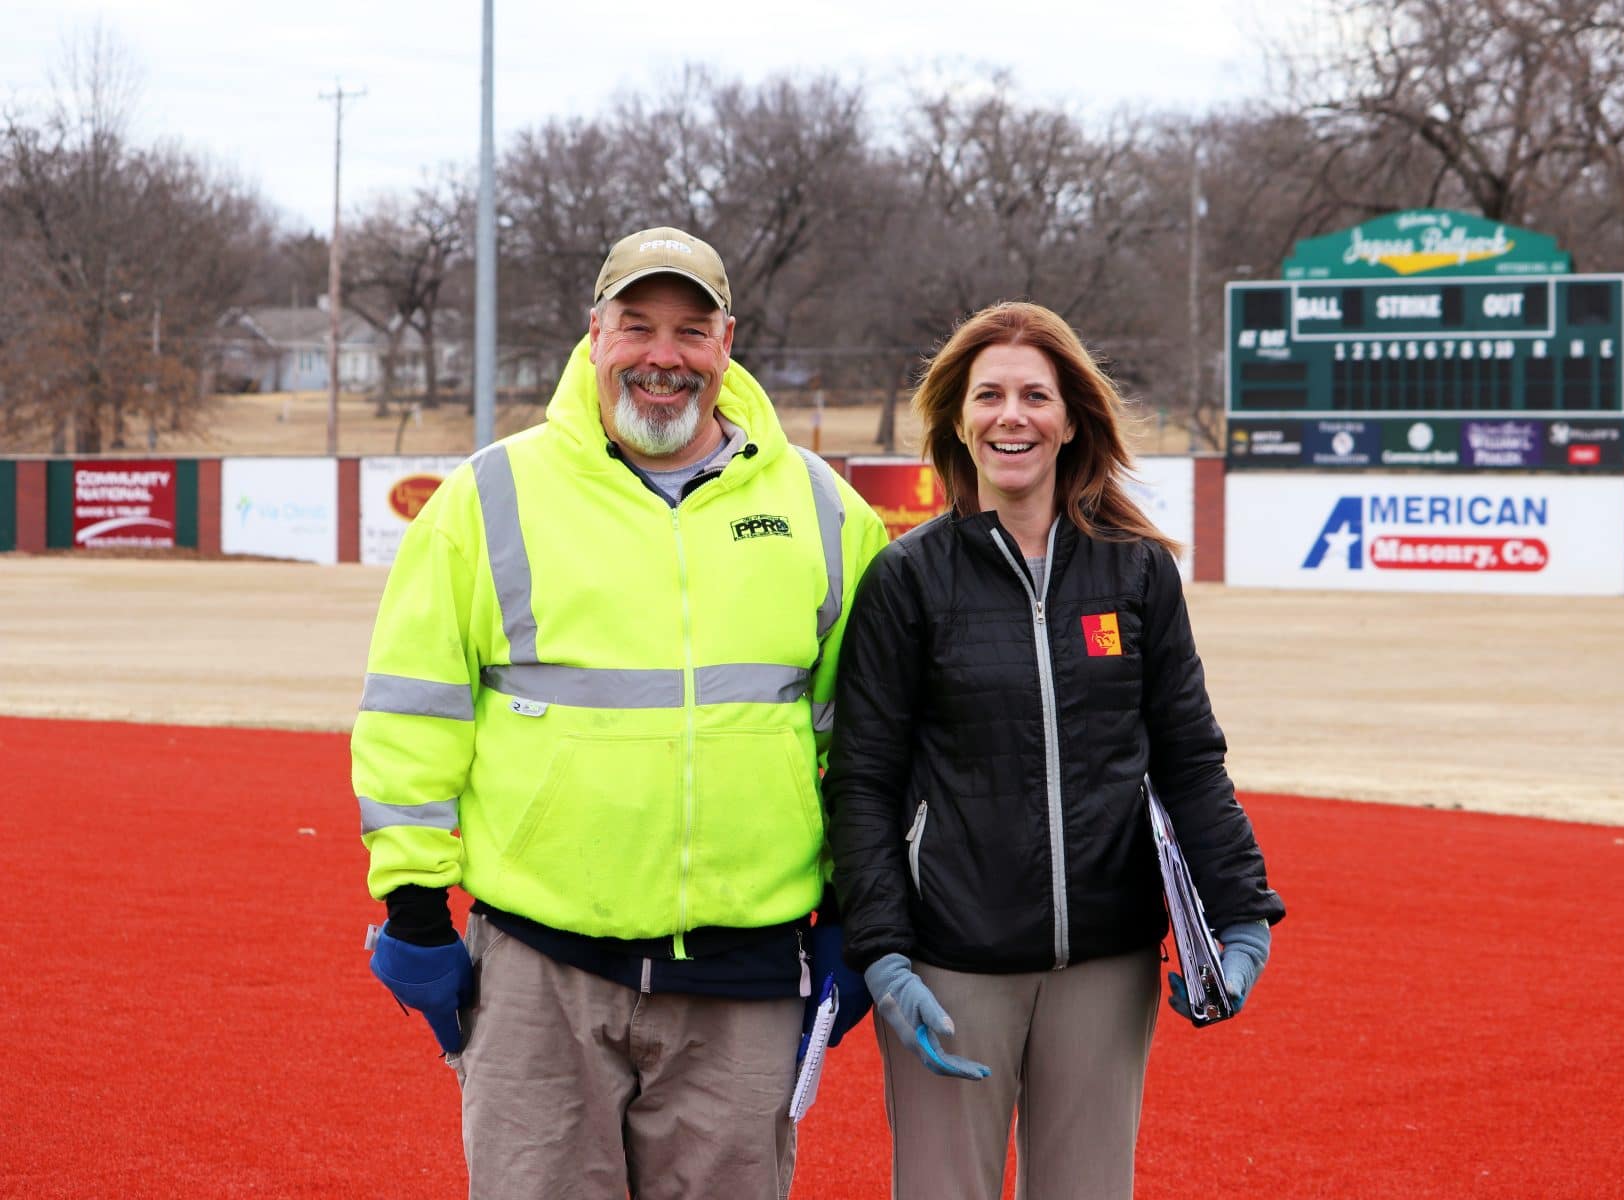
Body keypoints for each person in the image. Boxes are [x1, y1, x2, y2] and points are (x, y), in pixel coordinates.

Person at [353, 226, 888, 1199]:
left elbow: (866, 740)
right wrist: (416, 906)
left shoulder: (825, 510)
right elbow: (415, 713)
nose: (662, 356)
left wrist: (859, 911)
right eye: (636, 325)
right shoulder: (488, 498)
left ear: (728, 341)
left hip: (746, 981)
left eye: (690, 331)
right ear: (593, 333)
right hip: (541, 971)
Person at [824, 301, 1286, 1199]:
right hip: (950, 966)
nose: (1012, 415)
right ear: (958, 419)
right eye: (988, 395)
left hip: (1108, 971)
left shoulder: (1138, 572)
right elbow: (864, 783)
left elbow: (1189, 758)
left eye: (1035, 395)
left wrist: (1240, 917)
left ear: (1071, 418)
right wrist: (882, 951)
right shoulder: (907, 578)